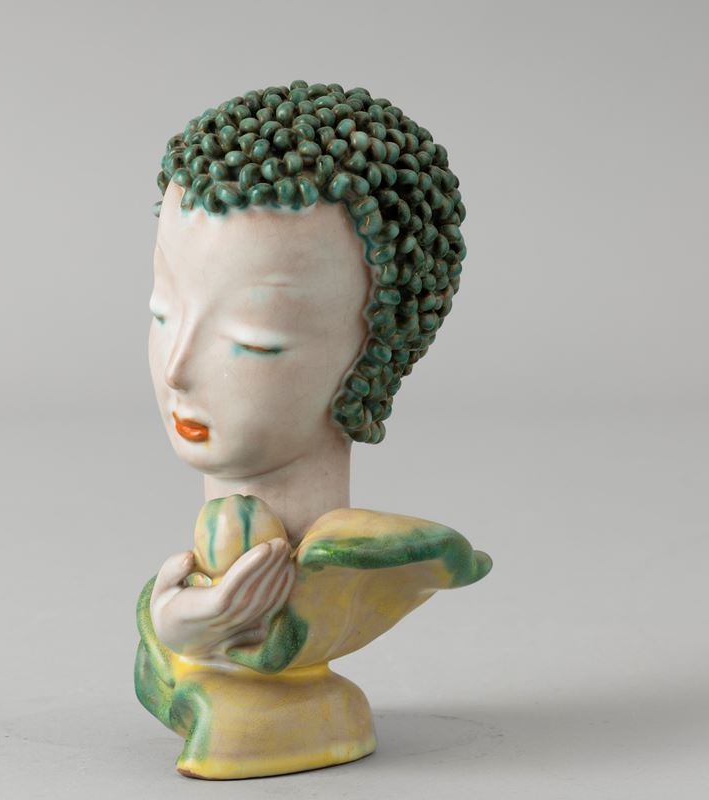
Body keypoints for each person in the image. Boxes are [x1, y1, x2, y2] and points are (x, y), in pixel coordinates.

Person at [136, 80, 486, 779]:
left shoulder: (363, 564)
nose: (177, 368)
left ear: (374, 351)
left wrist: (198, 628)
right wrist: (177, 625)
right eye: (162, 310)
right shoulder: (184, 590)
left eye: (254, 340)